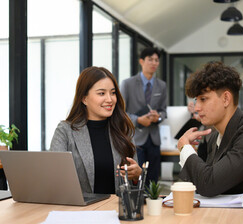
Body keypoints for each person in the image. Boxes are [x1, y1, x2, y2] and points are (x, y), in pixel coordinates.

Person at [177, 62, 243, 198]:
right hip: (232, 215)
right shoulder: (215, 136)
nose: (197, 107)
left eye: (203, 99)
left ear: (226, 99)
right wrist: (192, 152)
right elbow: (201, 183)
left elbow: (208, 184)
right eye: (196, 100)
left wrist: (185, 149)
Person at [50, 66, 142, 194]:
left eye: (113, 92)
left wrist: (137, 176)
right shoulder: (65, 131)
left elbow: (134, 187)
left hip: (116, 210)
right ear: (84, 98)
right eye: (101, 93)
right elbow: (54, 176)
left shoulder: (122, 129)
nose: (110, 99)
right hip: (79, 211)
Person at [120, 47, 167, 185]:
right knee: (136, 180)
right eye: (150, 59)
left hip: (154, 140)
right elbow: (120, 112)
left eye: (156, 60)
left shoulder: (162, 85)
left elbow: (164, 111)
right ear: (141, 61)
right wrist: (137, 120)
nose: (154, 63)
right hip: (135, 139)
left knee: (152, 180)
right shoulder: (127, 84)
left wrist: (157, 117)